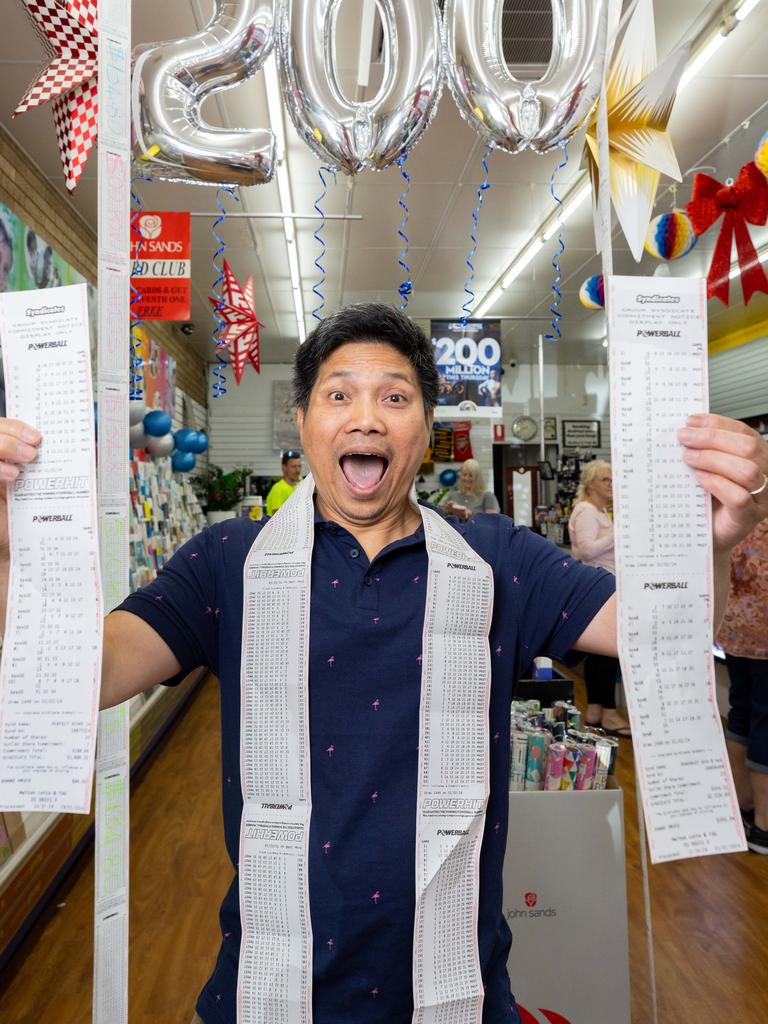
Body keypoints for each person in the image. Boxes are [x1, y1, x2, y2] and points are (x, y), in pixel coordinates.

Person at [0, 303, 765, 1024]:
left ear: (426, 427)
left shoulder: (498, 558)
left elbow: (659, 634)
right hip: (270, 987)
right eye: (339, 394)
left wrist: (717, 536)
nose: (366, 416)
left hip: (456, 989)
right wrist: (6, 548)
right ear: (302, 422)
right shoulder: (228, 563)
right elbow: (83, 675)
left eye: (395, 398)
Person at [568, 460, 630, 737]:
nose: (612, 485)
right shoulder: (585, 511)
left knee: (601, 657)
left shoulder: (601, 511)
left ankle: (598, 710)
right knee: (606, 654)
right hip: (598, 590)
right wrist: (620, 532)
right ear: (591, 483)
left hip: (609, 588)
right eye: (606, 480)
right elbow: (586, 551)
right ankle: (608, 713)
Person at [717, 519, 768, 853]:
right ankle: (765, 825)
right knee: (765, 720)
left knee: (742, 712)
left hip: (733, 630)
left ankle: (742, 807)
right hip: (764, 635)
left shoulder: (739, 516)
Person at [265, 448, 302, 515]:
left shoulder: (300, 485)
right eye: (293, 467)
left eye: (299, 466)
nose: (297, 470)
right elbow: (278, 519)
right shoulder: (278, 489)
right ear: (284, 467)